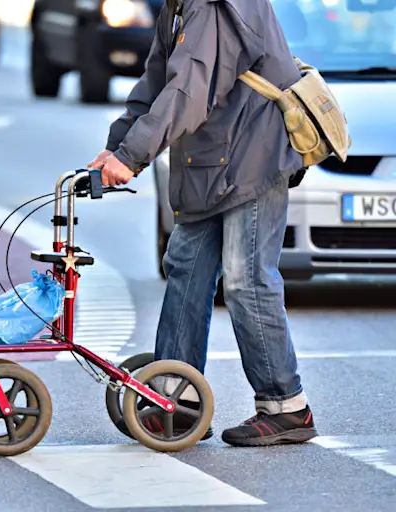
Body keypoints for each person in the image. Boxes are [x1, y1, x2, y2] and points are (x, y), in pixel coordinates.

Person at [88, 0, 318, 447]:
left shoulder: (214, 7)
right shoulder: (179, 6)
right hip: (211, 160)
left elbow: (186, 92)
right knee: (186, 269)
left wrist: (132, 158)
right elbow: (156, 81)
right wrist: (116, 147)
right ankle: (177, 399)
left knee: (246, 279)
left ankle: (286, 406)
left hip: (254, 156)